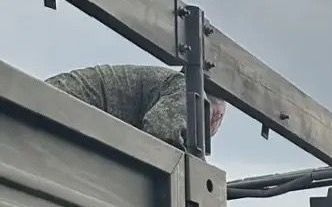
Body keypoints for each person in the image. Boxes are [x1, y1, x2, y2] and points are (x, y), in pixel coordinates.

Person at [46, 64, 225, 148]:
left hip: (59, 107)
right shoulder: (186, 89)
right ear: (216, 115)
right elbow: (160, 134)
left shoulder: (171, 86)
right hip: (59, 106)